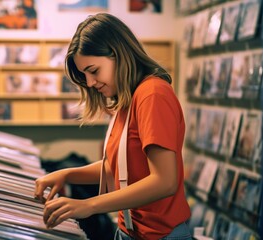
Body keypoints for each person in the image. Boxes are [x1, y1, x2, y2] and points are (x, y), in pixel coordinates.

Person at [34, 13, 192, 240]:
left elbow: (165, 181)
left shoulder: (152, 94)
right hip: (131, 232)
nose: (89, 82)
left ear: (118, 55)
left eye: (94, 71)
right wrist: (67, 174)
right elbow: (119, 167)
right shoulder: (129, 98)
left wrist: (90, 205)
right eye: (84, 75)